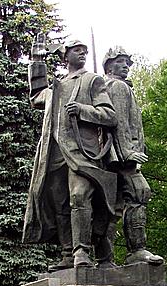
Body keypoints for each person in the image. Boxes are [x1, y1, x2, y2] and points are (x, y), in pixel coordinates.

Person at [23, 36, 117, 268]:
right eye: (77, 50)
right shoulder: (57, 86)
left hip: (83, 152)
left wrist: (83, 110)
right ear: (66, 56)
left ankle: (82, 252)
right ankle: (67, 254)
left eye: (84, 50)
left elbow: (109, 115)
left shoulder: (92, 80)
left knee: (79, 197)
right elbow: (36, 97)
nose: (82, 54)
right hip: (54, 153)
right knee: (60, 204)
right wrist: (37, 61)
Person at [102, 47, 164, 265]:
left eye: (128, 62)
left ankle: (106, 259)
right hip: (121, 157)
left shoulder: (115, 87)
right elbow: (119, 123)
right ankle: (136, 251)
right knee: (139, 192)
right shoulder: (117, 86)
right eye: (121, 61)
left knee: (112, 207)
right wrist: (129, 153)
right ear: (109, 65)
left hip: (116, 156)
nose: (126, 66)